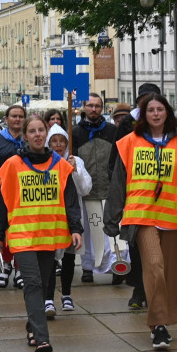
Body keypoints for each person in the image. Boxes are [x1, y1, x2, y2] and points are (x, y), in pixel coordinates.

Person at [104, 93, 177, 350]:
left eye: (160, 109)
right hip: (141, 216)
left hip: (173, 218)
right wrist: (112, 216)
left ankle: (161, 322)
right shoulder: (129, 143)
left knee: (170, 274)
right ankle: (159, 327)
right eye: (150, 110)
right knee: (154, 266)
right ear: (143, 115)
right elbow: (119, 182)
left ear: (167, 113)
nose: (155, 114)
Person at [0, 115, 83, 352]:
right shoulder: (13, 164)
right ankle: (42, 339)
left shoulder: (61, 166)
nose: (37, 135)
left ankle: (33, 325)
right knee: (31, 283)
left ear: (47, 133)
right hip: (22, 236)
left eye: (41, 130)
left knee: (42, 285)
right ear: (25, 136)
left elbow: (71, 201)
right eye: (31, 131)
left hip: (49, 235)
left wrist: (76, 228)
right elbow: (2, 202)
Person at [114, 84, 161, 308]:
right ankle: (139, 289)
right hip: (135, 199)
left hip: (163, 202)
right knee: (136, 246)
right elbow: (117, 160)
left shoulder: (167, 126)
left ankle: (156, 291)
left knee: (159, 254)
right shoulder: (127, 124)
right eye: (143, 101)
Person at [71, 93, 121, 285]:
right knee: (88, 231)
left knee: (111, 230)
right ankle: (87, 267)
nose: (93, 109)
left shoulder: (111, 130)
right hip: (87, 190)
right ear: (84, 108)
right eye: (90, 106)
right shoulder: (75, 132)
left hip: (109, 189)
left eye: (97, 106)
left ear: (102, 108)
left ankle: (117, 264)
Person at [43, 125, 92, 313]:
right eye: (54, 141)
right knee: (51, 258)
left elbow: (86, 188)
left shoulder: (75, 160)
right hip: (53, 216)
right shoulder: (46, 161)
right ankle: (48, 297)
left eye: (61, 141)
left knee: (70, 257)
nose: (58, 145)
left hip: (72, 215)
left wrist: (75, 171)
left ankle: (66, 294)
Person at [0, 104, 27, 288]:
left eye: (20, 116)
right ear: (7, 119)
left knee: (21, 231)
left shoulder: (29, 140)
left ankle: (19, 267)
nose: (17, 119)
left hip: (24, 196)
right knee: (2, 230)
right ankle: (5, 264)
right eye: (13, 116)